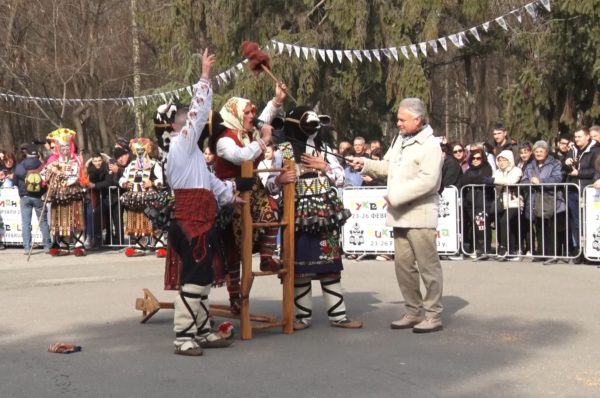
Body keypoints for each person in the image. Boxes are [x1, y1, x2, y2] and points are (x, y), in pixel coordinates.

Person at [165, 49, 252, 356]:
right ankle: (182, 336)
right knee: (192, 279)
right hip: (190, 224)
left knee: (202, 279)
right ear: (180, 127)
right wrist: (204, 77)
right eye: (193, 125)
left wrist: (236, 192)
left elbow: (214, 185)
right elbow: (198, 115)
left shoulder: (196, 159)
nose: (202, 128)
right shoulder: (180, 146)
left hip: (203, 222)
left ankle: (202, 330)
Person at [350, 97, 444, 333]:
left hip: (420, 213)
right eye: (398, 119)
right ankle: (413, 311)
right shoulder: (400, 140)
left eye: (402, 119)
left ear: (418, 119)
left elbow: (428, 181)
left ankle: (433, 315)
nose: (398, 123)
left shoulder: (430, 145)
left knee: (427, 266)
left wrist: (395, 196)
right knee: (403, 266)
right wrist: (364, 163)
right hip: (400, 214)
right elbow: (386, 166)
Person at [268, 105, 362, 330]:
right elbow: (270, 184)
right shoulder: (283, 151)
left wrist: (325, 166)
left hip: (324, 215)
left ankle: (338, 316)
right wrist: (280, 181)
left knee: (330, 264)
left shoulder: (325, 148)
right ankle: (302, 316)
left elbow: (341, 178)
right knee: (300, 266)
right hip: (297, 213)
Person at [211, 82, 286, 314]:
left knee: (272, 210)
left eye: (252, 111)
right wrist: (263, 140)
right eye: (247, 113)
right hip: (229, 194)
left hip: (251, 190)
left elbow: (262, 121)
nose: (252, 116)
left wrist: (277, 101)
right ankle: (235, 298)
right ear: (234, 114)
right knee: (233, 251)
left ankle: (266, 257)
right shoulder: (224, 138)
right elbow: (241, 156)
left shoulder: (246, 133)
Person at [42, 129, 87, 256]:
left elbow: (75, 175)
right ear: (58, 148)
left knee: (76, 219)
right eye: (62, 147)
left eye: (67, 146)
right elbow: (44, 176)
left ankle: (79, 245)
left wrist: (62, 177)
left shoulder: (75, 161)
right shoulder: (54, 162)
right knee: (61, 220)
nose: (65, 149)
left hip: (72, 193)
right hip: (58, 194)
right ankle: (63, 245)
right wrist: (50, 173)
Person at [118, 138, 165, 257]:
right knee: (137, 221)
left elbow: (161, 180)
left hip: (149, 198)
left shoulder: (154, 164)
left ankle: (160, 245)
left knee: (153, 220)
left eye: (142, 150)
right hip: (135, 197)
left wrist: (152, 183)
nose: (140, 153)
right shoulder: (131, 165)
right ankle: (140, 245)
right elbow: (122, 178)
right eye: (137, 150)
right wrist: (125, 183)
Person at [521, 141, 566, 264]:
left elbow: (557, 179)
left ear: (546, 152)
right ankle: (541, 252)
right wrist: (529, 182)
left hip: (552, 200)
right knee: (540, 227)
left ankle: (552, 254)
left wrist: (540, 181)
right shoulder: (530, 165)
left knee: (552, 229)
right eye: (536, 151)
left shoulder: (555, 163)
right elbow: (524, 180)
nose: (538, 153)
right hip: (536, 200)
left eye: (541, 151)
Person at [564, 128, 599, 263]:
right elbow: (566, 167)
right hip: (573, 190)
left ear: (587, 137)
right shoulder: (572, 150)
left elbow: (595, 170)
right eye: (575, 137)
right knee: (575, 221)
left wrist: (578, 173)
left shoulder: (595, 151)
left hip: (587, 191)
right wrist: (567, 163)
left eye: (579, 136)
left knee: (588, 221)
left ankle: (590, 251)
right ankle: (578, 249)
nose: (577, 139)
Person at [12, 144, 52, 254]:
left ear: (26, 153)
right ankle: (47, 246)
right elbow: (46, 181)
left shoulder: (20, 166)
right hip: (38, 197)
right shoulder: (42, 166)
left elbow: (14, 182)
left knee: (26, 223)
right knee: (43, 222)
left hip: (24, 197)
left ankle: (26, 247)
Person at [459, 147, 494, 259]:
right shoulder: (469, 171)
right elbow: (463, 181)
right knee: (474, 224)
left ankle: (484, 249)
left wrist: (472, 179)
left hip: (483, 200)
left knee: (482, 225)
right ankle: (477, 248)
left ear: (482, 158)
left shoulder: (487, 168)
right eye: (473, 158)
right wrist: (473, 179)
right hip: (471, 201)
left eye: (478, 158)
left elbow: (483, 179)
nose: (475, 160)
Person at [492, 150, 523, 260]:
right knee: (501, 224)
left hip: (514, 202)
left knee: (506, 221)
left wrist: (494, 180)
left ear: (509, 160)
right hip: (501, 202)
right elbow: (496, 181)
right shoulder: (498, 172)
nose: (501, 162)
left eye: (504, 160)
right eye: (499, 160)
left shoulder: (517, 170)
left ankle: (503, 248)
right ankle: (510, 251)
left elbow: (511, 181)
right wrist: (495, 180)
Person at [86, 152, 113, 248]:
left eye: (99, 160)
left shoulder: (106, 168)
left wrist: (96, 185)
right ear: (92, 162)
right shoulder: (90, 170)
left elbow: (108, 182)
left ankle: (110, 239)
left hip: (108, 195)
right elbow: (89, 180)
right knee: (97, 216)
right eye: (95, 161)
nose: (98, 163)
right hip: (96, 197)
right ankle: (97, 239)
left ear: (102, 160)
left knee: (109, 217)